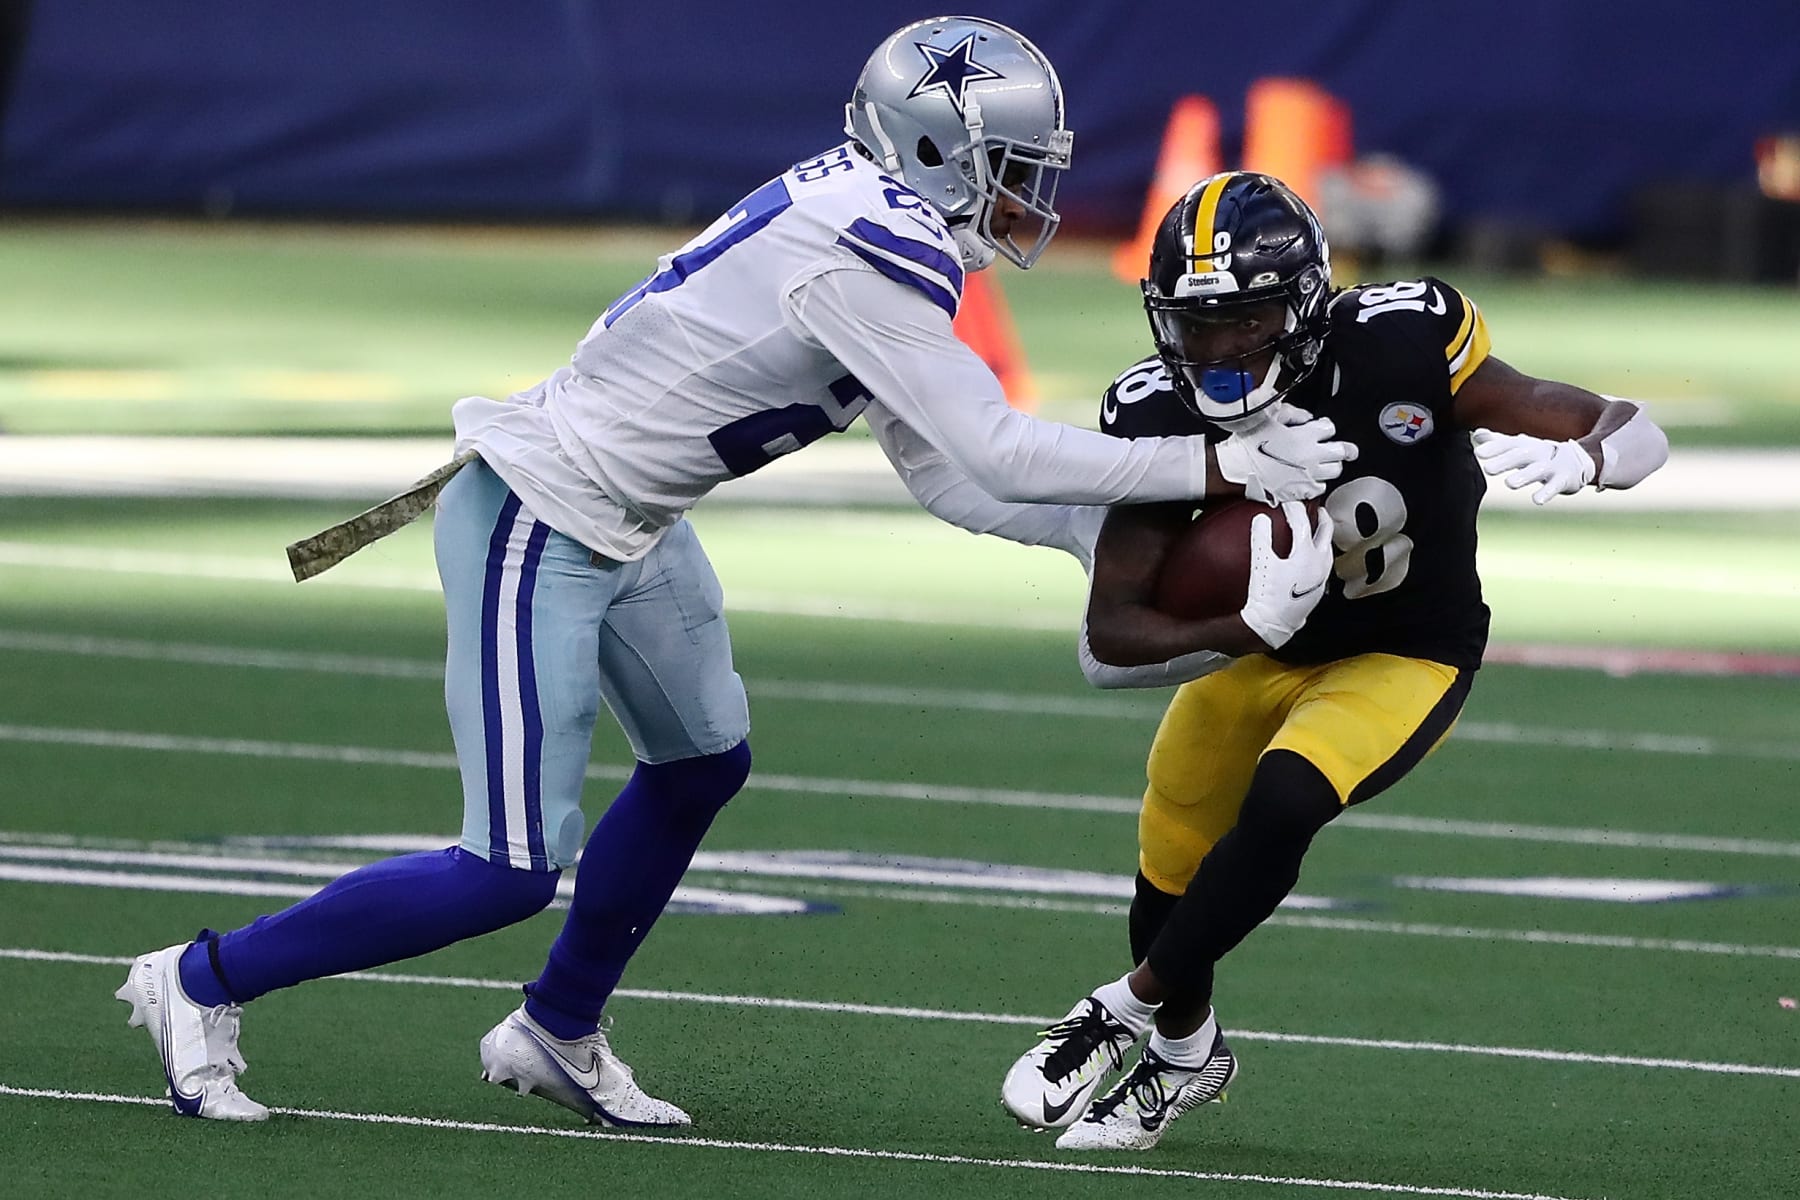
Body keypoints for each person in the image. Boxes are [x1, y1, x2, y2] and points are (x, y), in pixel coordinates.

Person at [113, 25, 1353, 1124]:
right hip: (536, 515)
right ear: (932, 149)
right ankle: (200, 979)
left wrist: (1093, 538)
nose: (1027, 195)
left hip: (629, 521)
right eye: (1009, 168)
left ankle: (555, 1028)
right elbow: (993, 446)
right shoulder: (870, 249)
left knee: (704, 762)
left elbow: (946, 475)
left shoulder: (881, 227)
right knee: (503, 869)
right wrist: (1214, 460)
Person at [977, 171, 1670, 1150]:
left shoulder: (1403, 340)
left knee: (1287, 799)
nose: (1214, 349)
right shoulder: (1155, 407)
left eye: (1242, 319)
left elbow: (1626, 425)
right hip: (1264, 650)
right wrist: (1241, 627)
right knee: (1172, 846)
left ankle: (1121, 1009)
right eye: (1194, 324)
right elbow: (1111, 632)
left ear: (1303, 301)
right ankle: (1184, 1056)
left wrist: (1593, 455)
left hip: (1406, 647)